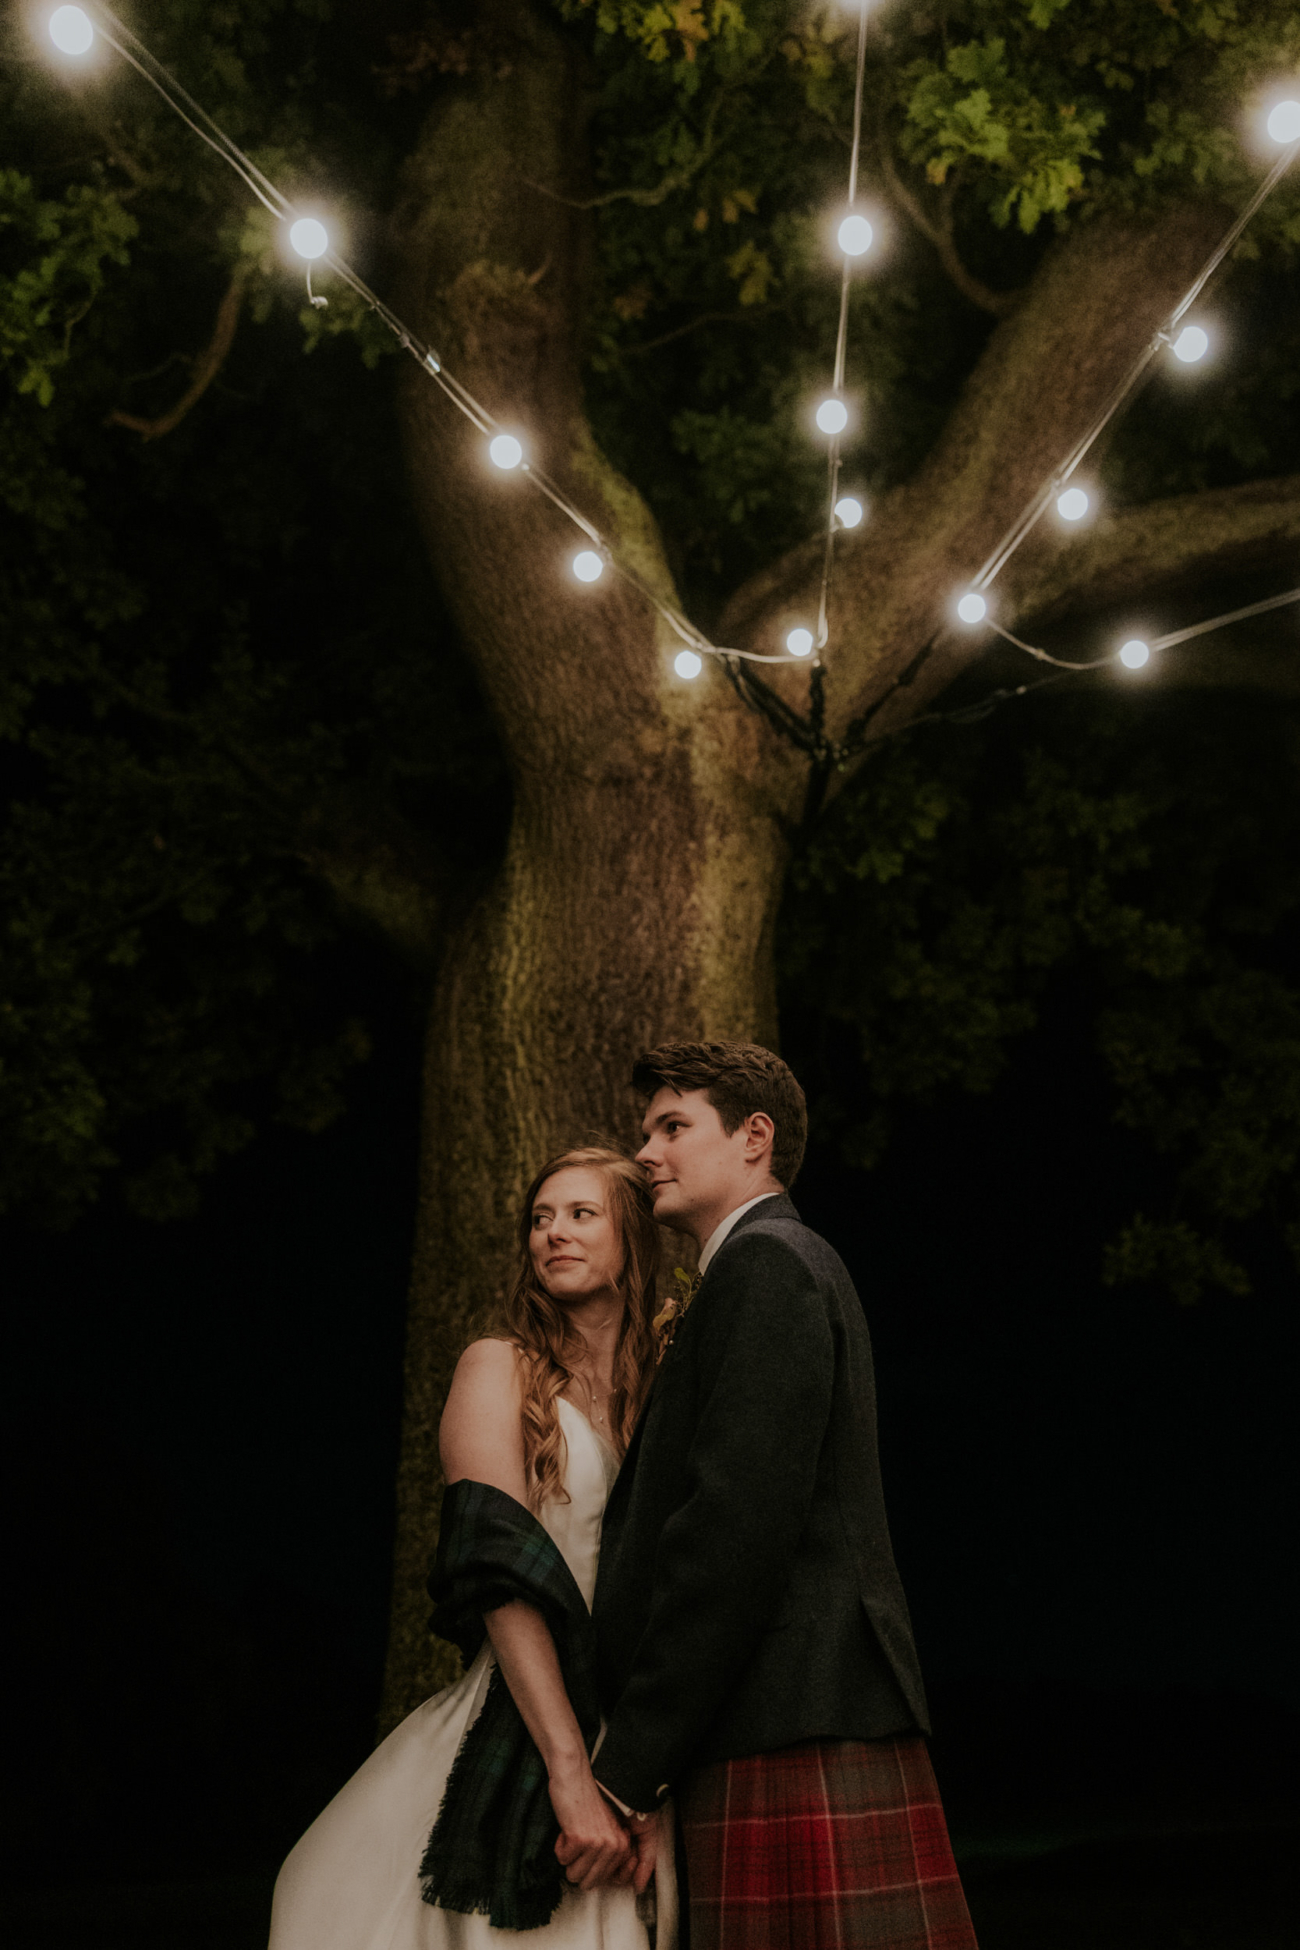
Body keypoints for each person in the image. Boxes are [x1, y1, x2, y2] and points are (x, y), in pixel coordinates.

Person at [590, 1042, 979, 1950]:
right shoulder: (767, 1265)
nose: (645, 1153)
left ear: (753, 1137)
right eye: (645, 1132)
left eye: (672, 1127)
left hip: (790, 1711)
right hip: (789, 1706)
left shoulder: (766, 1267)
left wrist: (630, 1761)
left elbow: (730, 1536)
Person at [268, 1145, 676, 1950]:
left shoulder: (667, 1388)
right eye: (540, 1218)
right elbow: (500, 1576)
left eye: (581, 1214)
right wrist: (568, 1772)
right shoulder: (499, 1369)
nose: (552, 1233)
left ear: (635, 1235)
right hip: (526, 1711)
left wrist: (651, 1775)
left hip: (640, 1731)